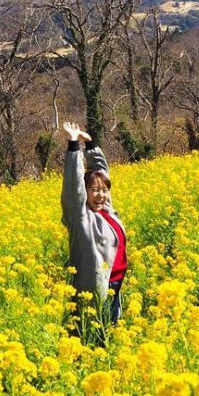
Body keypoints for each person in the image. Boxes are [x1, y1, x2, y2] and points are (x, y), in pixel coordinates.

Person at [60, 121, 128, 339]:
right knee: (96, 338)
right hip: (96, 291)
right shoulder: (80, 218)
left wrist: (91, 146)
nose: (101, 195)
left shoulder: (107, 211)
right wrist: (73, 147)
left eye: (104, 190)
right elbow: (73, 189)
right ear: (85, 192)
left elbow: (101, 171)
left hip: (115, 287)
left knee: (111, 335)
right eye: (94, 190)